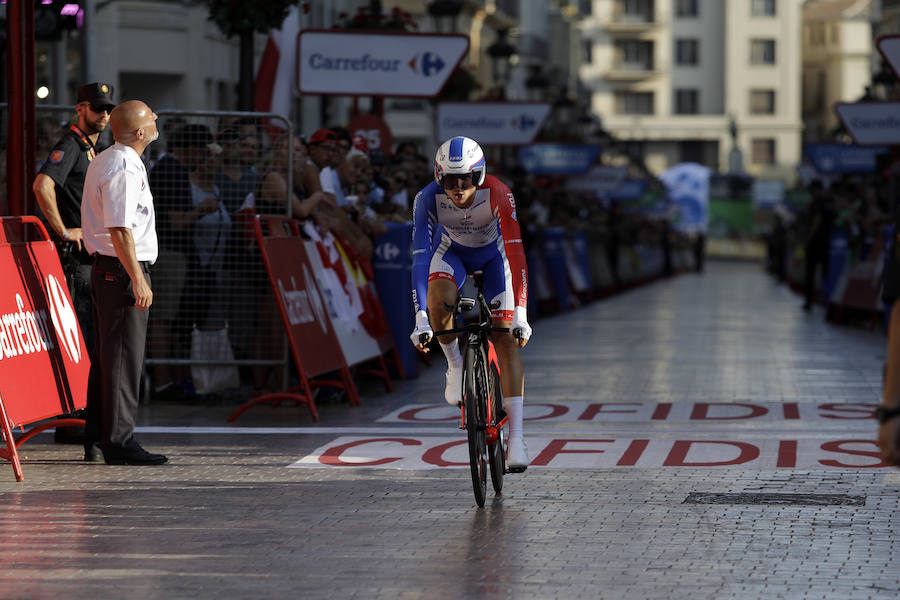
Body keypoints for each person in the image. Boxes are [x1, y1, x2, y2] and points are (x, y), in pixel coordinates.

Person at [409, 136, 532, 471]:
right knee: (439, 305)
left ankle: (517, 439)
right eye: (450, 179)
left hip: (495, 257)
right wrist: (421, 319)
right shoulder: (426, 199)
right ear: (438, 177)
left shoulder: (499, 192)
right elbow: (420, 258)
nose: (459, 187)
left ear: (481, 175)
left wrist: (521, 313)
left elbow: (517, 252)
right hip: (453, 255)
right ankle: (454, 365)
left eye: (468, 178)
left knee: (506, 338)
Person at [81, 99, 168, 465]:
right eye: (151, 117)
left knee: (110, 355)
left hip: (112, 267)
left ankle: (99, 435)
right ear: (139, 132)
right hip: (120, 269)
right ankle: (118, 441)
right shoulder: (122, 166)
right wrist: (138, 278)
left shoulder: (113, 159)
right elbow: (119, 227)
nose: (156, 119)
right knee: (122, 357)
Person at [33, 81, 116, 448]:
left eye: (108, 109)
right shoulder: (70, 145)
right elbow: (42, 185)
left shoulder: (90, 148)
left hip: (86, 257)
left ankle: (78, 416)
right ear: (80, 109)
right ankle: (72, 420)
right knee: (80, 337)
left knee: (86, 336)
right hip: (74, 260)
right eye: (97, 108)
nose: (103, 114)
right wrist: (63, 230)